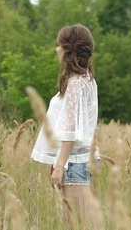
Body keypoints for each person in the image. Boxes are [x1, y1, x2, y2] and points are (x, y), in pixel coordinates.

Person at [31, 24, 99, 229]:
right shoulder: (86, 79)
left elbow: (71, 129)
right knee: (72, 223)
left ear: (68, 50)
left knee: (87, 224)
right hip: (78, 158)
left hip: (73, 161)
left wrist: (59, 165)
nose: (56, 49)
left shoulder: (77, 84)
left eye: (59, 45)